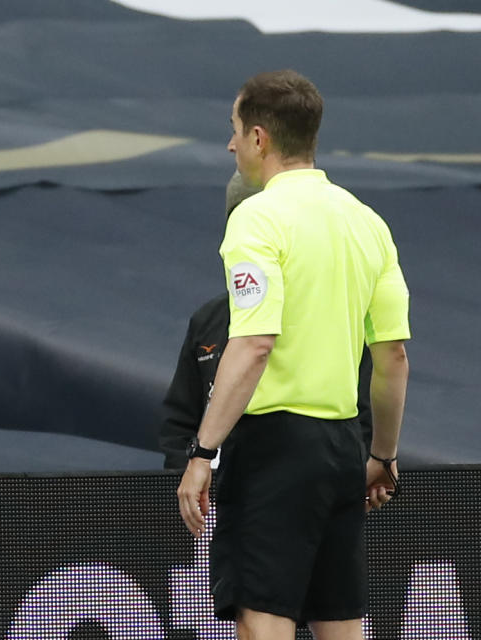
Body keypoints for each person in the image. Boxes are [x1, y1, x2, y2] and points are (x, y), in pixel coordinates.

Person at [176, 70, 410, 639]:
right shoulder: (367, 222)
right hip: (341, 449)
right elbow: (393, 358)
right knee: (340, 625)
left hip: (274, 452)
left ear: (259, 138)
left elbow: (254, 342)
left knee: (263, 623)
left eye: (234, 131)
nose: (230, 144)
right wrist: (381, 454)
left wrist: (203, 451)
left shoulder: (256, 218)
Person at [158, 172, 373, 470]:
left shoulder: (331, 320)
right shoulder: (208, 320)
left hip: (293, 481)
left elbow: (360, 417)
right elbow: (179, 420)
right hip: (215, 497)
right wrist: (188, 473)